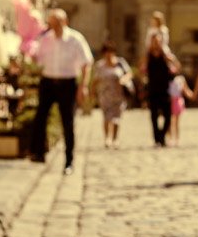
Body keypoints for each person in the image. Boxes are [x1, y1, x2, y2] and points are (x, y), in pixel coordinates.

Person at [29, 9, 93, 174]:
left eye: (56, 23)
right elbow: (38, 59)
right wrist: (31, 53)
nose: (53, 27)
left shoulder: (75, 39)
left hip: (67, 83)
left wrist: (83, 86)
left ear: (64, 22)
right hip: (48, 82)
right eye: (51, 23)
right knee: (40, 117)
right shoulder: (45, 39)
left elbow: (87, 63)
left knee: (68, 122)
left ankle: (69, 161)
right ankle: (39, 152)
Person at [91, 41, 133, 148]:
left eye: (110, 52)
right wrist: (92, 92)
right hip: (105, 95)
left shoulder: (120, 62)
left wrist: (124, 79)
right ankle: (107, 138)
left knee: (116, 118)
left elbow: (129, 73)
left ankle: (115, 138)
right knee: (106, 117)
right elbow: (95, 80)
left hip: (118, 95)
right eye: (106, 52)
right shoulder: (100, 65)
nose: (108, 54)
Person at [144, 33, 174, 147]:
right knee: (154, 116)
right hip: (152, 90)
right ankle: (157, 140)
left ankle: (161, 136)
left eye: (158, 41)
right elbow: (141, 65)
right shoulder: (148, 55)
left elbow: (176, 65)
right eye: (154, 41)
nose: (156, 43)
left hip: (165, 90)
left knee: (168, 116)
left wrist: (167, 56)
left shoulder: (165, 55)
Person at [168, 71, 194, 144]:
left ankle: (176, 138)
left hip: (177, 102)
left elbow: (186, 90)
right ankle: (170, 137)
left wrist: (192, 95)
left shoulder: (181, 79)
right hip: (170, 101)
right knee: (170, 121)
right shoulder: (168, 77)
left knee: (176, 121)